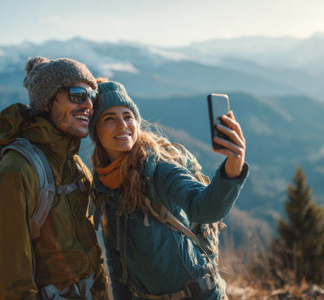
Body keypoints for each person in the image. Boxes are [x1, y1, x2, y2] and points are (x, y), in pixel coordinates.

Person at [88, 80, 248, 300]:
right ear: (95, 131)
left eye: (128, 116)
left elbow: (204, 208)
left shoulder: (159, 171)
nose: (122, 125)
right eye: (109, 118)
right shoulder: (105, 189)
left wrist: (233, 167)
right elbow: (117, 266)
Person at [0, 57, 109, 299]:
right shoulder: (16, 173)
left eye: (92, 96)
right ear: (48, 102)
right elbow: (14, 287)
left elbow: (90, 258)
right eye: (78, 94)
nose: (88, 105)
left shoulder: (75, 167)